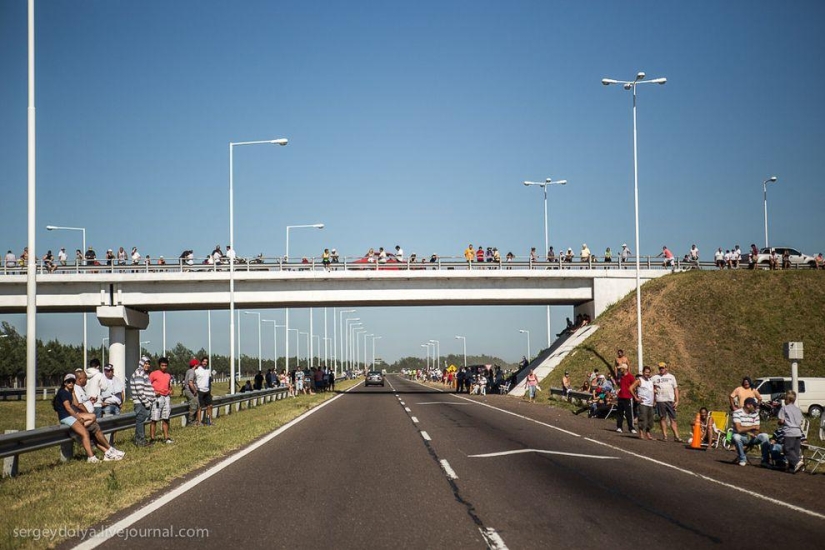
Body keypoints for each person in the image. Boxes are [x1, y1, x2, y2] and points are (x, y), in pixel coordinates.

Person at [53, 373, 124, 463]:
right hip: (67, 416)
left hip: (72, 416)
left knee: (93, 417)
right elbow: (68, 408)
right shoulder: (63, 392)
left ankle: (76, 430)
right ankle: (91, 457)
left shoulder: (70, 392)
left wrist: (73, 392)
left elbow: (75, 403)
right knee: (85, 433)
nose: (71, 383)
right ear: (64, 383)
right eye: (68, 382)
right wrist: (78, 418)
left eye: (72, 382)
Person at [731, 397, 770, 467]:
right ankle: (742, 459)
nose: (755, 407)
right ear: (748, 405)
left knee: (765, 436)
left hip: (752, 437)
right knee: (736, 437)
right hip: (741, 437)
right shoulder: (737, 413)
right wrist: (752, 428)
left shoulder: (755, 414)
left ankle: (765, 461)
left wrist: (753, 431)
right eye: (754, 406)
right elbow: (739, 429)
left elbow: (757, 430)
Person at [652, 362, 681, 442]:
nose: (661, 369)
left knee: (673, 418)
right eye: (660, 368)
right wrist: (653, 393)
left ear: (666, 368)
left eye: (663, 368)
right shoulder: (655, 377)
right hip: (660, 400)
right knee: (662, 418)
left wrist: (677, 400)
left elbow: (676, 389)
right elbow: (650, 386)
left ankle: (676, 436)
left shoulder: (671, 377)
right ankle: (665, 436)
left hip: (670, 400)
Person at [130, 356, 156, 446]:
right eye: (145, 363)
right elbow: (140, 390)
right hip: (141, 403)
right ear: (141, 363)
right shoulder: (139, 373)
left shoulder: (144, 374)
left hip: (144, 402)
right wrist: (147, 402)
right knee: (140, 422)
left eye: (148, 363)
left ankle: (141, 440)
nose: (147, 365)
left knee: (141, 422)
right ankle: (140, 441)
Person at [778, 390, 805, 473]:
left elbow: (782, 421)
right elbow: (801, 421)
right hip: (798, 431)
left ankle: (797, 462)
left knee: (787, 449)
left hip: (789, 431)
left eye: (785, 399)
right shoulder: (798, 410)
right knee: (795, 450)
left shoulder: (784, 408)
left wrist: (779, 422)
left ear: (788, 400)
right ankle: (792, 468)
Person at [148, 357, 173, 444]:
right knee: (154, 418)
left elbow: (169, 386)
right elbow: (147, 385)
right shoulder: (153, 374)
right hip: (158, 398)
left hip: (166, 397)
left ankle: (166, 437)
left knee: (166, 418)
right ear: (159, 365)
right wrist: (154, 392)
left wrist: (170, 390)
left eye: (165, 365)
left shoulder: (168, 375)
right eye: (162, 365)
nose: (164, 367)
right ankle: (152, 439)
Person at [630, 366, 655, 440]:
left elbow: (652, 391)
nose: (647, 373)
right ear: (643, 372)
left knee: (650, 420)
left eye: (648, 372)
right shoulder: (639, 380)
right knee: (642, 418)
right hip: (643, 403)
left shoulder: (650, 381)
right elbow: (631, 388)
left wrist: (654, 401)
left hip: (650, 403)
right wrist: (636, 398)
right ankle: (641, 433)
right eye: (646, 372)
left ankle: (648, 434)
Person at [615, 364, 636, 434]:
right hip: (621, 397)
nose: (620, 370)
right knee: (619, 413)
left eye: (621, 369)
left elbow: (634, 385)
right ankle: (619, 427)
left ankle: (631, 428)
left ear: (624, 369)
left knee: (629, 413)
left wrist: (633, 394)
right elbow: (618, 384)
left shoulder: (630, 376)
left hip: (628, 397)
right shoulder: (620, 376)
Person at [195, 356, 213, 425]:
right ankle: (199, 422)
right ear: (201, 362)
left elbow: (209, 381)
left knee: (210, 406)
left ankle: (210, 421)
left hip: (207, 391)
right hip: (200, 390)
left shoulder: (208, 371)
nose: (205, 363)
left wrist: (210, 390)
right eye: (204, 361)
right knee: (200, 407)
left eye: (206, 362)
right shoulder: (197, 371)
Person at [183, 359, 200, 425]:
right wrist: (194, 390)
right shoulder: (192, 372)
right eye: (197, 364)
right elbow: (190, 382)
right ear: (195, 365)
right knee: (194, 404)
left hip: (188, 390)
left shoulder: (189, 371)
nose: (198, 365)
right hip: (190, 390)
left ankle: (194, 421)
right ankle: (191, 421)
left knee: (196, 404)